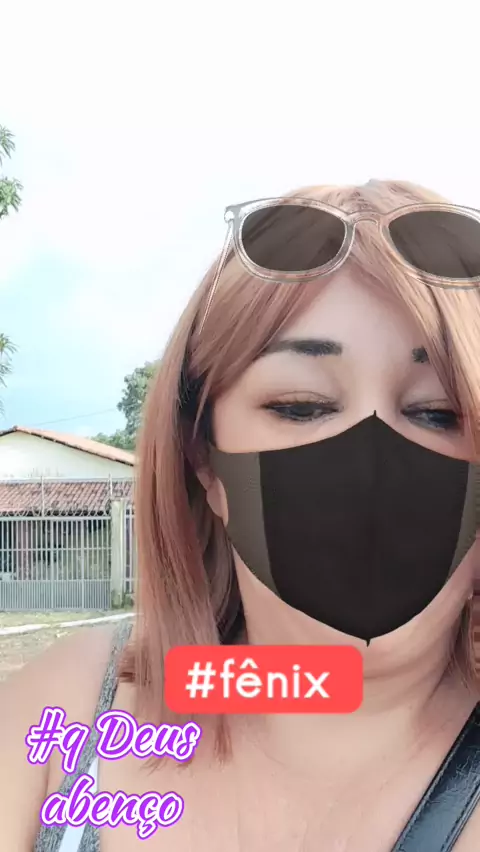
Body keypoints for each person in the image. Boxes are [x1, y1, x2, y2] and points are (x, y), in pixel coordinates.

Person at [1, 179, 480, 852]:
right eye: (301, 407)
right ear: (205, 460)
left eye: (436, 413)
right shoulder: (69, 713)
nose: (367, 468)